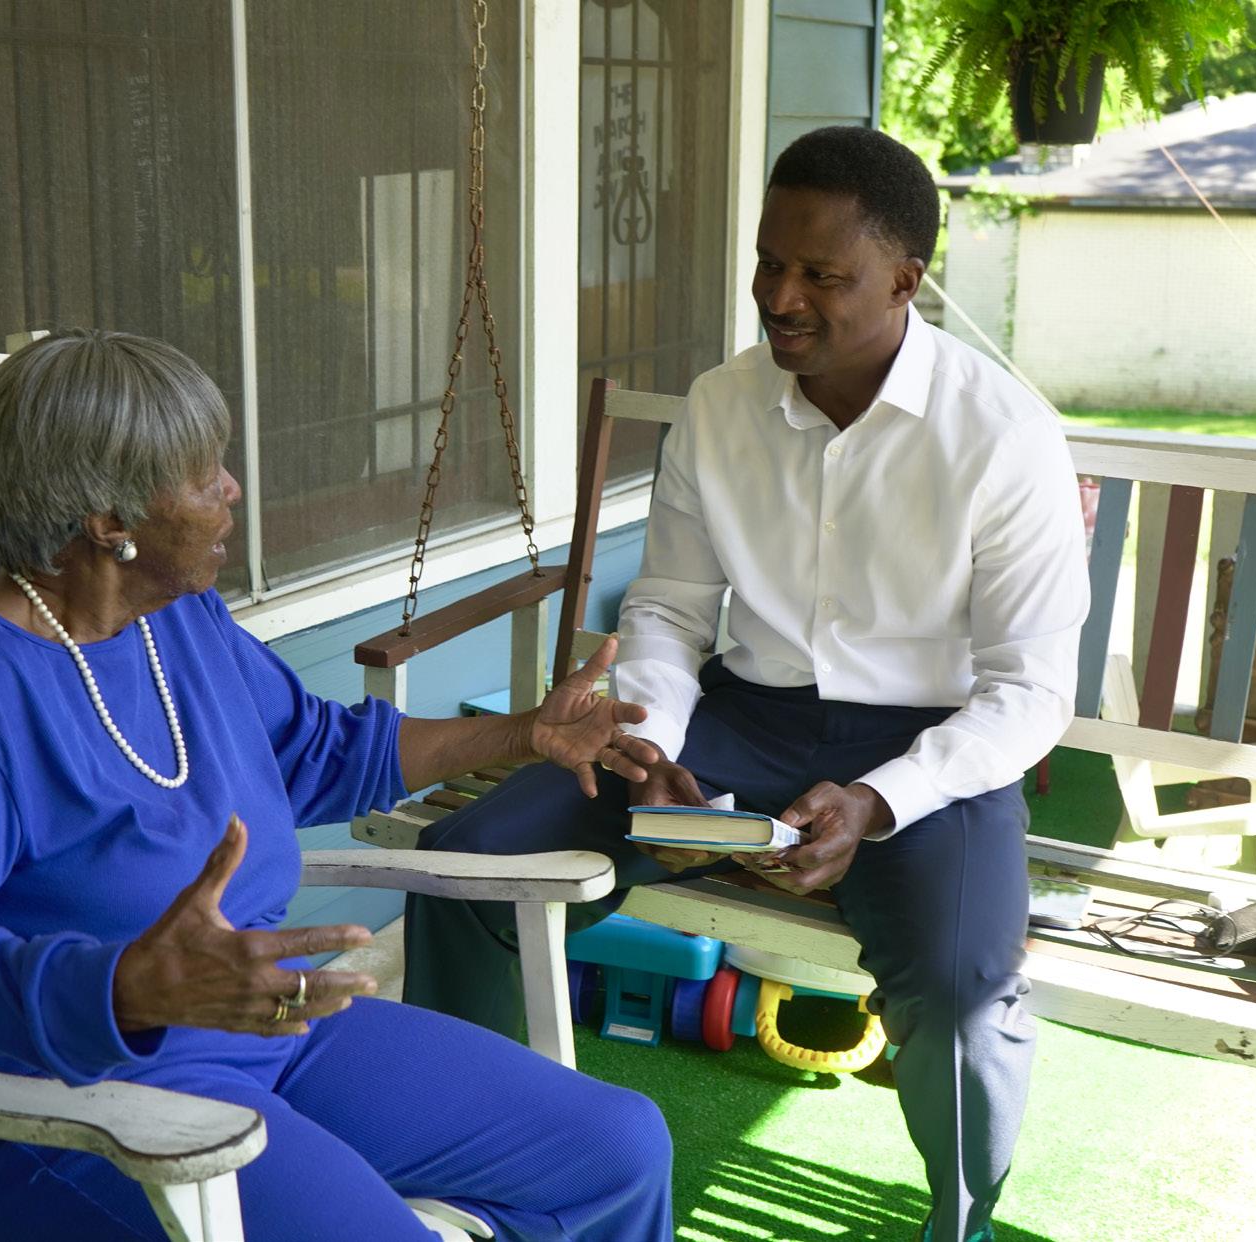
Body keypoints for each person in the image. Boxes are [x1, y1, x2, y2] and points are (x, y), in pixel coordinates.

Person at [0, 329, 674, 1242]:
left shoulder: (174, 617)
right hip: (62, 1105)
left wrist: (520, 735)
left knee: (616, 1149)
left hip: (264, 1023)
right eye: (202, 475)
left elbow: (311, 752)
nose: (230, 489)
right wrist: (119, 987)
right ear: (108, 522)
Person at [403, 125, 1090, 1242]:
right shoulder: (721, 406)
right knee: (469, 868)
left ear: (905, 281)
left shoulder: (1004, 437)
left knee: (964, 993)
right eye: (770, 263)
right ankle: (472, 1170)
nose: (780, 297)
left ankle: (957, 1224)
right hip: (741, 721)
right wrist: (653, 744)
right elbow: (672, 610)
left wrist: (878, 801)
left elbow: (1030, 691)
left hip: (933, 749)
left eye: (822, 274)